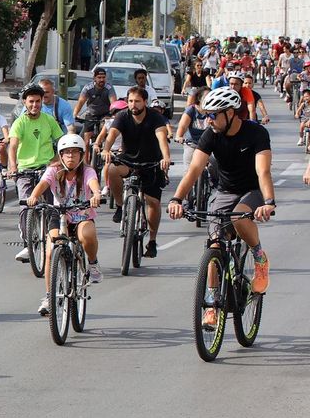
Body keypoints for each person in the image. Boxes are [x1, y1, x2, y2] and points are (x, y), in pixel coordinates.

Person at [167, 87, 275, 328]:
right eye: (207, 115)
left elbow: (263, 171)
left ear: (230, 113)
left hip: (253, 190)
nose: (209, 120)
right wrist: (176, 199)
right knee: (214, 245)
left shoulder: (256, 133)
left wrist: (268, 202)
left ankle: (259, 257)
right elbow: (194, 170)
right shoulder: (211, 134)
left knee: (239, 219)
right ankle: (211, 302)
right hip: (224, 192)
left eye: (213, 115)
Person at [27, 134, 103, 316]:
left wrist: (96, 194)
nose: (71, 157)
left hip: (81, 214)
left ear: (82, 155)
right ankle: (48, 296)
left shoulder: (87, 171)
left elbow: (94, 184)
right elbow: (43, 183)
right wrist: (34, 196)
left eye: (75, 153)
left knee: (87, 236)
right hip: (59, 213)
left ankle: (92, 263)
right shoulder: (53, 170)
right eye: (67, 153)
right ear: (60, 155)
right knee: (50, 248)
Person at [100, 86, 172, 258]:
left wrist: (166, 158)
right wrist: (106, 150)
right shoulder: (122, 116)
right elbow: (112, 135)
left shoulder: (155, 117)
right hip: (128, 161)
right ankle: (119, 205)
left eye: (137, 101)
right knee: (111, 169)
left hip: (151, 163)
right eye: (130, 101)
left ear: (145, 102)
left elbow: (162, 138)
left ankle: (152, 241)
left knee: (153, 203)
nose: (133, 105)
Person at [8, 85, 64, 262]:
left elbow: (62, 143)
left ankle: (53, 238)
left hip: (47, 169)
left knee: (51, 206)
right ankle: (27, 244)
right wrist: (13, 167)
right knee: (26, 206)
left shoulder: (49, 120)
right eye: (31, 101)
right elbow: (13, 146)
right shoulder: (20, 122)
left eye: (37, 101)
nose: (34, 105)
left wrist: (56, 160)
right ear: (25, 102)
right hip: (25, 170)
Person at [173, 87, 211, 170]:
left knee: (214, 164)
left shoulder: (213, 111)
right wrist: (179, 136)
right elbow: (182, 126)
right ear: (199, 98)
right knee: (188, 168)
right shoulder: (191, 110)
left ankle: (214, 182)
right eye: (206, 97)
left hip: (208, 145)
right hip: (192, 144)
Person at [73, 68, 115, 142]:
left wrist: (113, 115)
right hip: (91, 114)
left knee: (106, 134)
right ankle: (86, 153)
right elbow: (81, 102)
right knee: (85, 139)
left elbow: (114, 103)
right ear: (94, 78)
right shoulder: (88, 88)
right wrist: (75, 114)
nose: (102, 80)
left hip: (105, 114)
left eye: (103, 77)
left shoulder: (109, 88)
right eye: (99, 77)